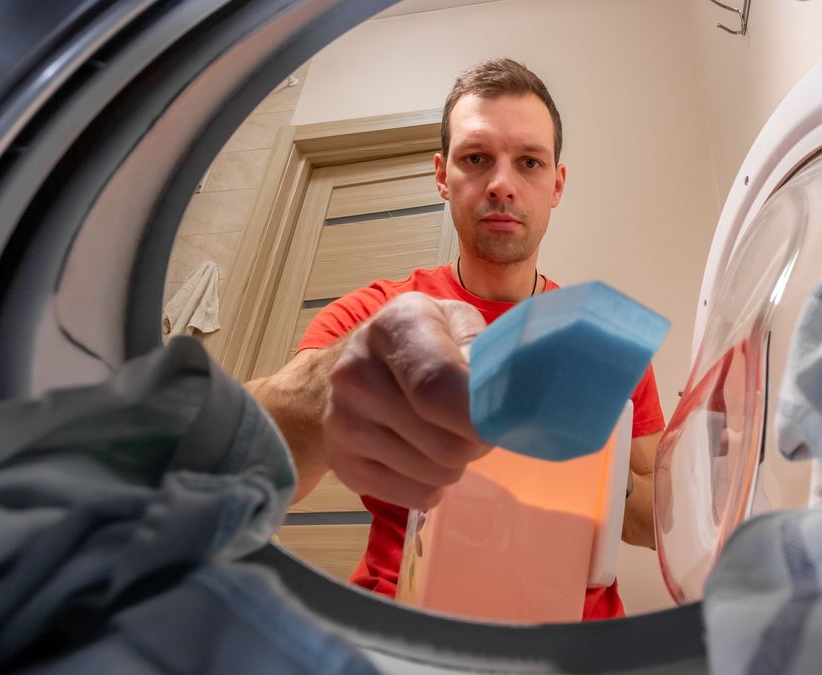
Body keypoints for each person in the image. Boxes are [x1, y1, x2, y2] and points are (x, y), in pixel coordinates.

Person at [245, 58, 666, 620]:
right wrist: (332, 381)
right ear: (443, 175)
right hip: (409, 631)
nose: (501, 184)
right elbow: (247, 468)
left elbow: (655, 526)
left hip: (575, 645)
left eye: (529, 162)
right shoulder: (374, 315)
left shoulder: (601, 339)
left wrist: (595, 473)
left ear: (556, 184)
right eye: (476, 158)